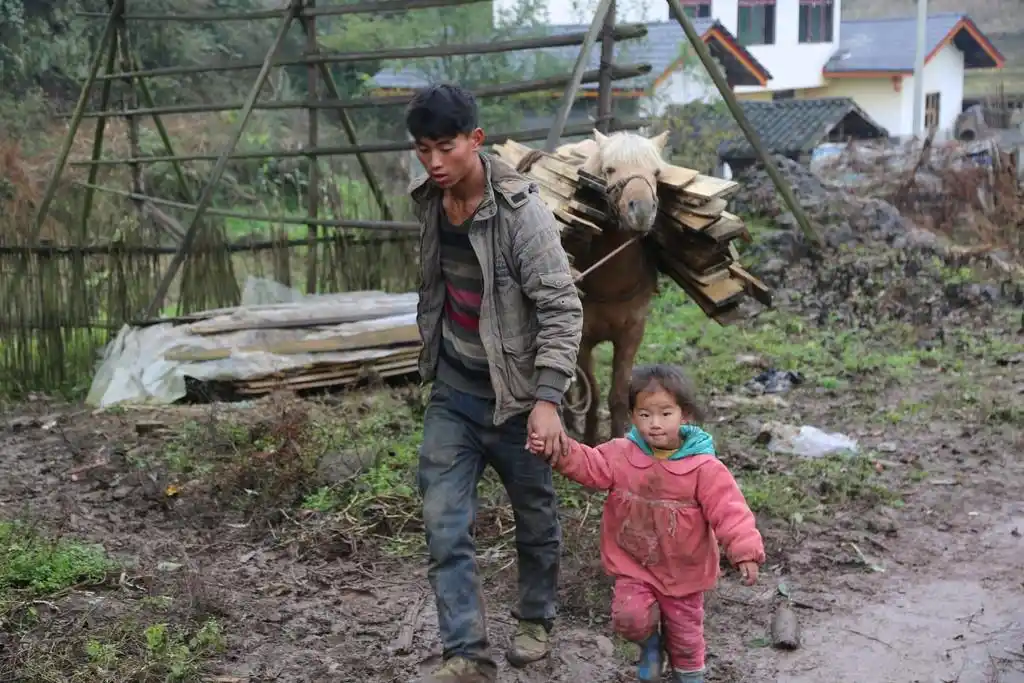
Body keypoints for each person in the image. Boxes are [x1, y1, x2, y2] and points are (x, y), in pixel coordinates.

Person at [406, 83, 584, 683]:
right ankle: (467, 654)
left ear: (475, 142)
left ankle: (535, 619)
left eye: (445, 147)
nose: (433, 162)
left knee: (534, 517)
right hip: (454, 393)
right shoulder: (430, 200)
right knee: (443, 522)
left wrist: (548, 400)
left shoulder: (521, 214)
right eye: (423, 148)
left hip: (516, 399)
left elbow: (562, 307)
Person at [528, 364, 765, 683]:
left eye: (665, 414)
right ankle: (650, 648)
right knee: (630, 617)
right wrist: (557, 449)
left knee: (685, 634)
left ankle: (688, 674)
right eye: (644, 414)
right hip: (635, 563)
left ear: (686, 416)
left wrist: (745, 551)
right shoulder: (622, 454)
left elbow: (730, 511)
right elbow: (589, 465)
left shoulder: (703, 468)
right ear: (632, 415)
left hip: (684, 571)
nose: (654, 424)